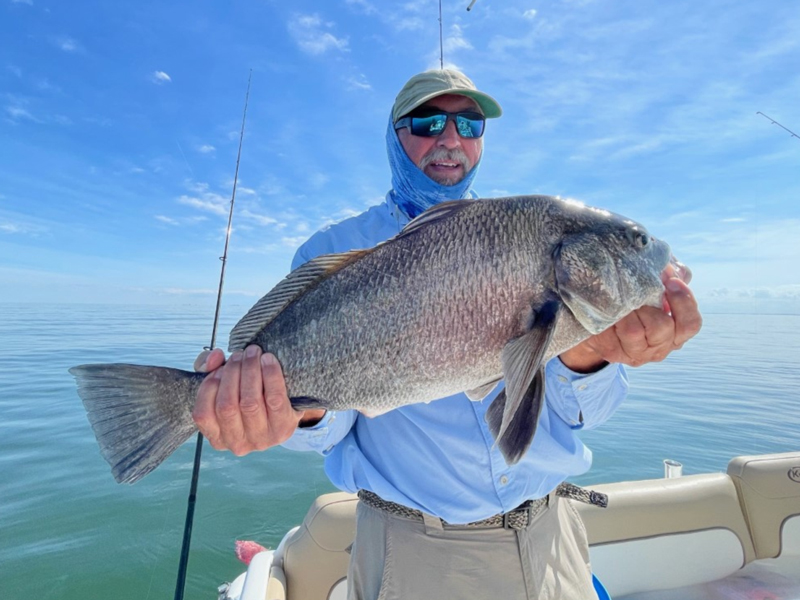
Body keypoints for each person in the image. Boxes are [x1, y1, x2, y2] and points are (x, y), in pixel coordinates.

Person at [193, 69, 702, 599]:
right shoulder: (332, 249)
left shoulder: (516, 234)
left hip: (552, 537)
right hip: (414, 553)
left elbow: (582, 415)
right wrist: (291, 410)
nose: (452, 139)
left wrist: (591, 355)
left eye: (470, 124)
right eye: (428, 122)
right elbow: (328, 431)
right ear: (394, 136)